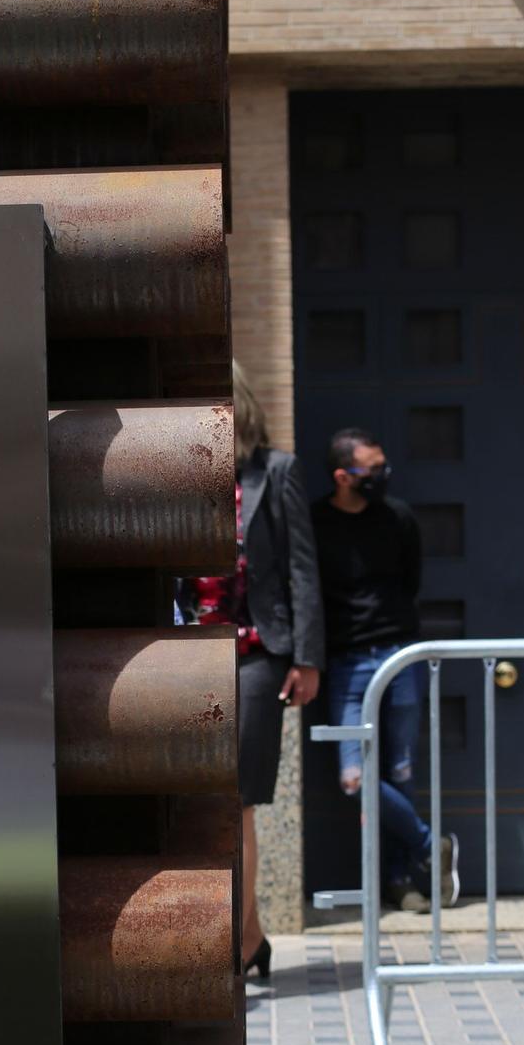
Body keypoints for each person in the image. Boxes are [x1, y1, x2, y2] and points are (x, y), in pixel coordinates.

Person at [189, 363, 324, 978]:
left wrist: (307, 657)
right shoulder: (180, 470)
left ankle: (240, 945)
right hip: (182, 655)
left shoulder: (277, 472)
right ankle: (247, 935)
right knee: (200, 800)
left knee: (236, 801)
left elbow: (302, 569)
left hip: (255, 655)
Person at [311, 426, 458, 912]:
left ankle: (400, 881)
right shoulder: (315, 523)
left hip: (399, 656)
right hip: (347, 664)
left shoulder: (398, 518)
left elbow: (410, 580)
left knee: (400, 772)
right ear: (342, 476)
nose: (381, 476)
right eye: (370, 470)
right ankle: (428, 845)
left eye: (382, 466)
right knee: (355, 778)